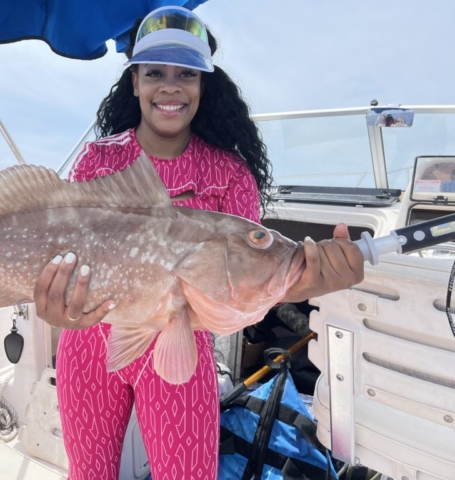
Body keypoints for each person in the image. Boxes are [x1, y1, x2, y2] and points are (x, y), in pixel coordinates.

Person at [32, 6, 364, 479]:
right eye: (155, 73)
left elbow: (247, 286)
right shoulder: (99, 159)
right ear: (135, 83)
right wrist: (56, 306)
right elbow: (69, 252)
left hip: (181, 344)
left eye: (186, 73)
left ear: (203, 84)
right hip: (91, 339)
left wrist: (313, 280)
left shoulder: (231, 175)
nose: (170, 86)